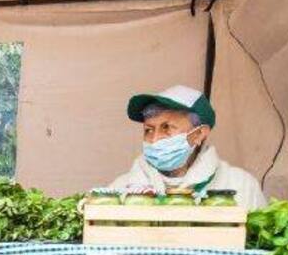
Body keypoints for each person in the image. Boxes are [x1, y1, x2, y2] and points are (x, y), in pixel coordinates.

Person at [110, 84, 267, 210]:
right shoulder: (120, 189)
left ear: (199, 134)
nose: (155, 139)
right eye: (148, 130)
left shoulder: (240, 186)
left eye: (167, 128)